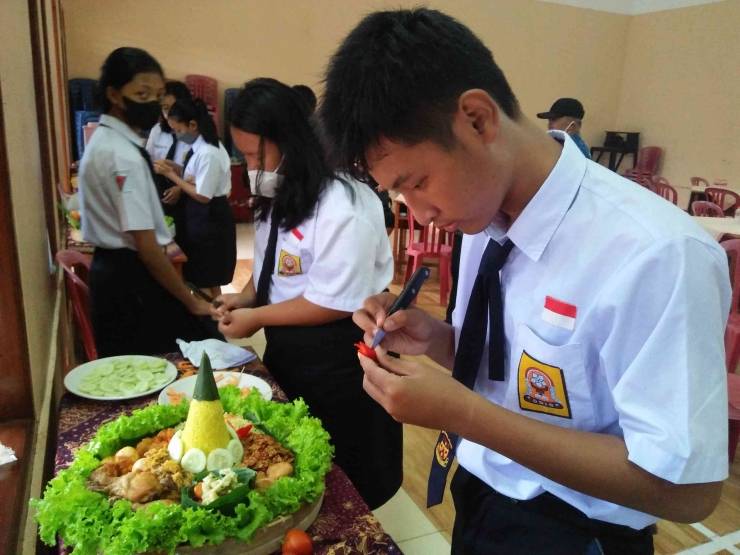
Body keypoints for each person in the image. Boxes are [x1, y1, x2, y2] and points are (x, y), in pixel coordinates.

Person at [318, 8, 729, 554]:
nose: (418, 213)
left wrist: (463, 413)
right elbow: (514, 369)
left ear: (477, 120)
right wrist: (438, 342)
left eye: (416, 183)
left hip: (577, 532)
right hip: (480, 494)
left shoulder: (656, 253)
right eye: (398, 194)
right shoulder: (482, 217)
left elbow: (688, 489)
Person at [214, 78, 402, 510]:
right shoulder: (278, 193)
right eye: (243, 154)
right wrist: (245, 297)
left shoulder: (344, 204)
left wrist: (258, 318)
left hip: (342, 352)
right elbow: (271, 264)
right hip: (290, 343)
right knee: (295, 459)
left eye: (258, 155)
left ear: (293, 142)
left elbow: (333, 302)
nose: (250, 166)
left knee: (345, 473)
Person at [79, 47, 218, 357]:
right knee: (158, 364)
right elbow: (147, 247)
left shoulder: (106, 139)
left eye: (156, 96)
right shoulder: (122, 156)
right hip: (128, 279)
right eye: (141, 94)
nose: (152, 105)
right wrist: (190, 299)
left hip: (114, 271)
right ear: (114, 94)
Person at [154, 98, 236, 300]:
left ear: (193, 125)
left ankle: (209, 324)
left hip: (210, 218)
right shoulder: (200, 147)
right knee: (206, 279)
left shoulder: (209, 151)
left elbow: (203, 195)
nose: (178, 135)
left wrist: (172, 176)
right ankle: (214, 322)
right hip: (201, 216)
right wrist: (175, 167)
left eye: (179, 130)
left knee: (205, 279)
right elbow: (196, 177)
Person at [145, 80, 192, 241]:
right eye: (165, 108)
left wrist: (180, 188)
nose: (169, 113)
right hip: (162, 193)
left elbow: (201, 171)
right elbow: (148, 161)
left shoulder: (193, 132)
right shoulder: (157, 130)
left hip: (189, 196)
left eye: (173, 108)